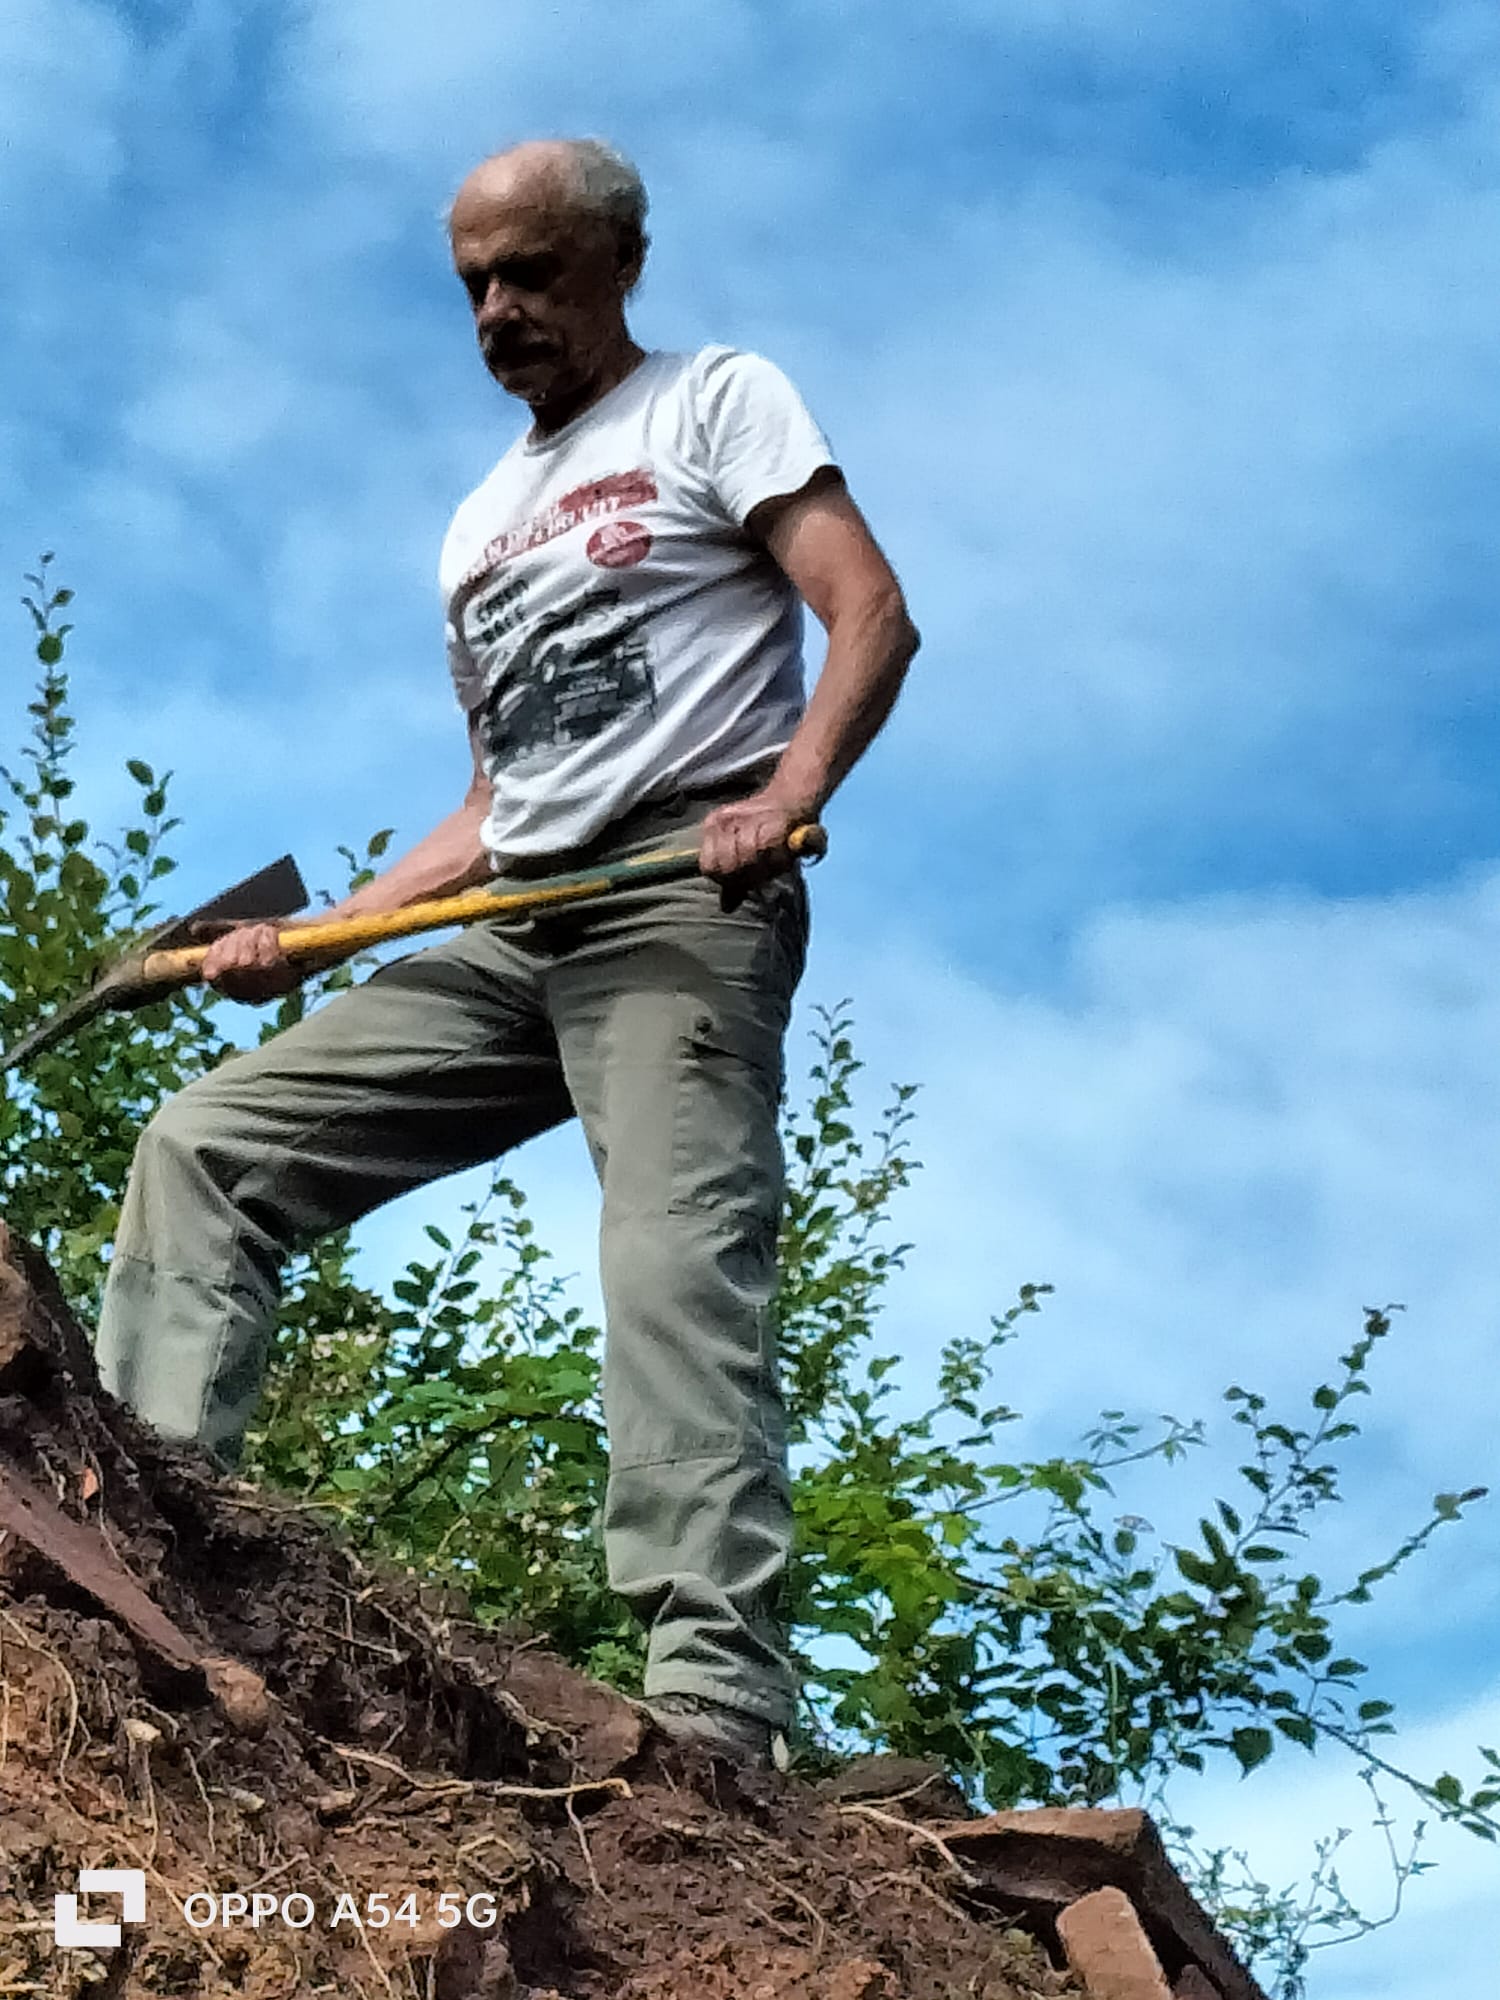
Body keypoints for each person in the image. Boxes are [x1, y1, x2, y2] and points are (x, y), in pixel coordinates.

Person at [93, 137, 919, 1767]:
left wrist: (788, 788)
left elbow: (871, 611)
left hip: (679, 893)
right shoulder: (481, 524)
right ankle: (145, 1556)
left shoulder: (714, 401)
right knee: (204, 1148)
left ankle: (714, 1697)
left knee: (670, 1259)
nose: (497, 311)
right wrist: (316, 940)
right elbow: (494, 802)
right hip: (512, 920)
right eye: (474, 282)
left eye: (531, 272)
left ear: (622, 261)